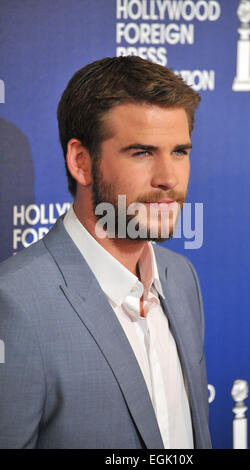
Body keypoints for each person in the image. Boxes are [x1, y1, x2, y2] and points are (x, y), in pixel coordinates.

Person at [0, 56, 211, 449]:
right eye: (142, 152)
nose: (169, 178)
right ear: (81, 162)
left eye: (180, 151)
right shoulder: (14, 305)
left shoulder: (182, 278)